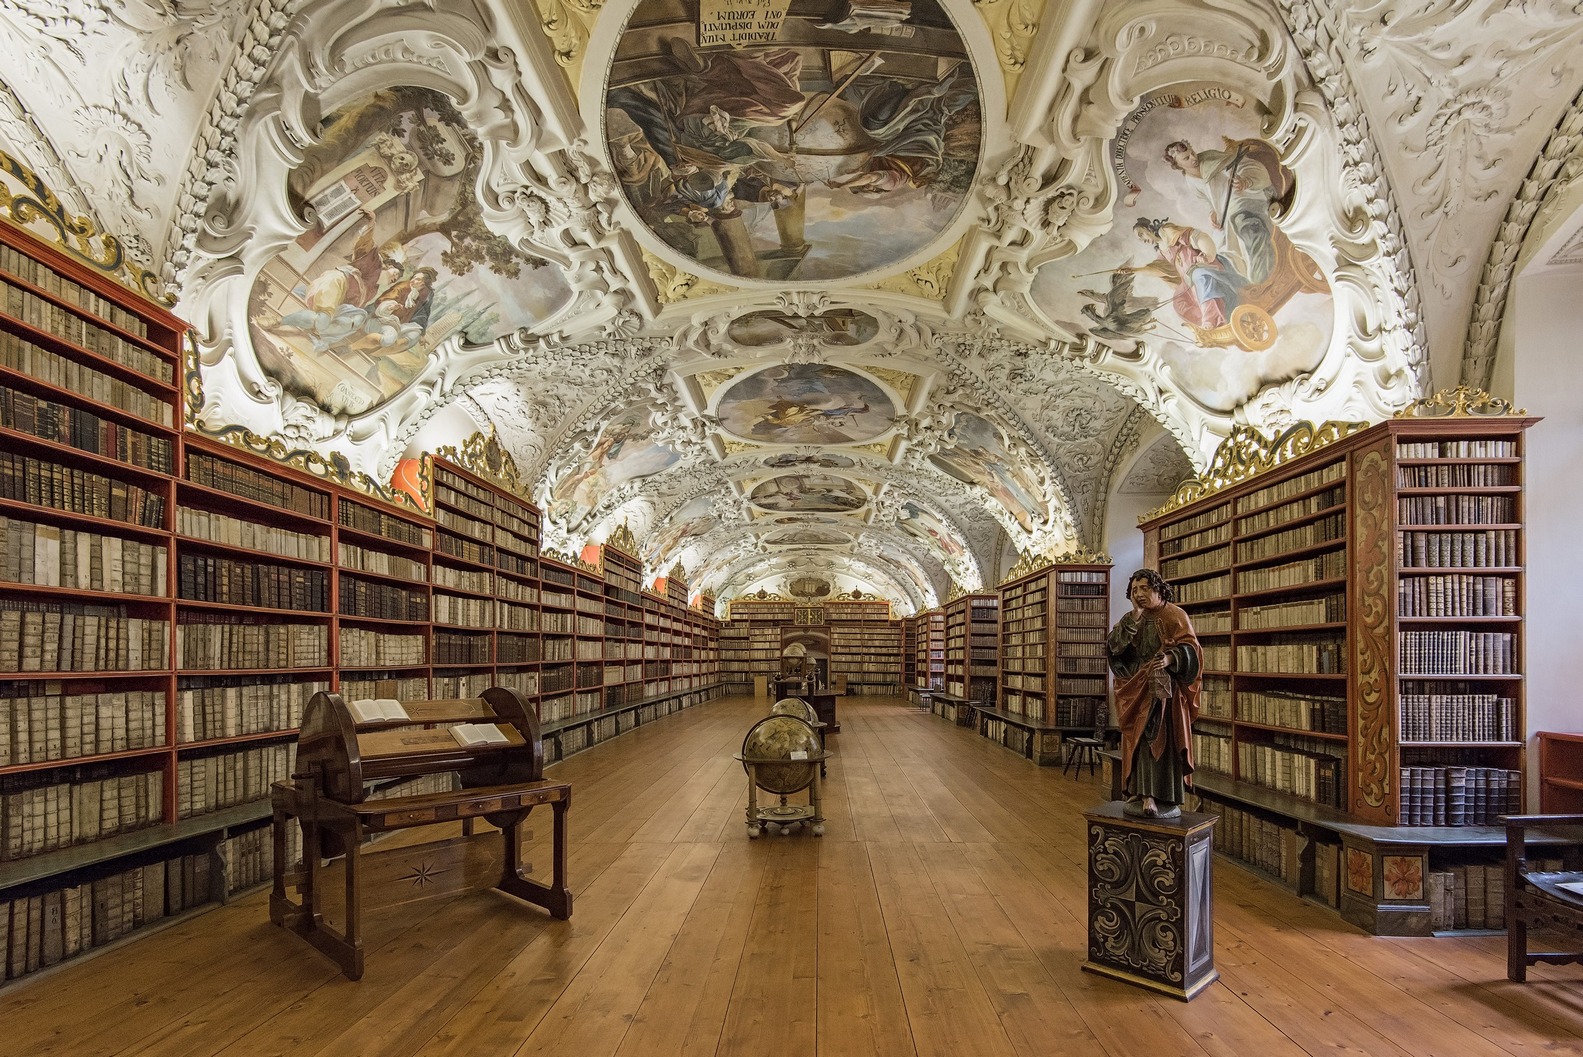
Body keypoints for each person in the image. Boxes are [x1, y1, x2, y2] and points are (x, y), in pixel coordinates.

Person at [1107, 569, 1202, 818]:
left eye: (1145, 588)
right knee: (1138, 743)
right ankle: (1141, 792)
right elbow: (1115, 648)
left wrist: (1172, 657)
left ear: (1159, 589)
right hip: (1138, 691)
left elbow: (1193, 651)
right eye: (1135, 590)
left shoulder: (1175, 615)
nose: (1139, 594)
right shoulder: (1131, 619)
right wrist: (1135, 617)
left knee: (1159, 742)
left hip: (1165, 695)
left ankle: (1162, 796)